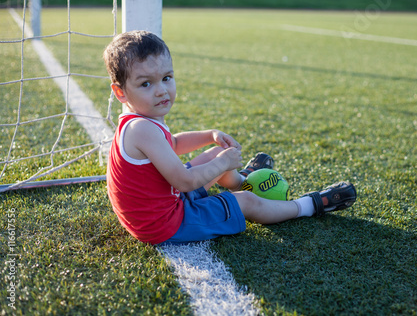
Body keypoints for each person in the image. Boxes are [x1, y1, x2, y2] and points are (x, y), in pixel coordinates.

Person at [103, 30, 357, 246]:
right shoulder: (142, 129)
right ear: (120, 92)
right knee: (244, 201)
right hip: (164, 224)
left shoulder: (141, 120)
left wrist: (209, 136)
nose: (161, 90)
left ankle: (242, 181)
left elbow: (174, 145)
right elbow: (184, 182)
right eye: (146, 84)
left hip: (162, 204)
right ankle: (309, 205)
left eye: (166, 78)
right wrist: (223, 163)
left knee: (214, 155)